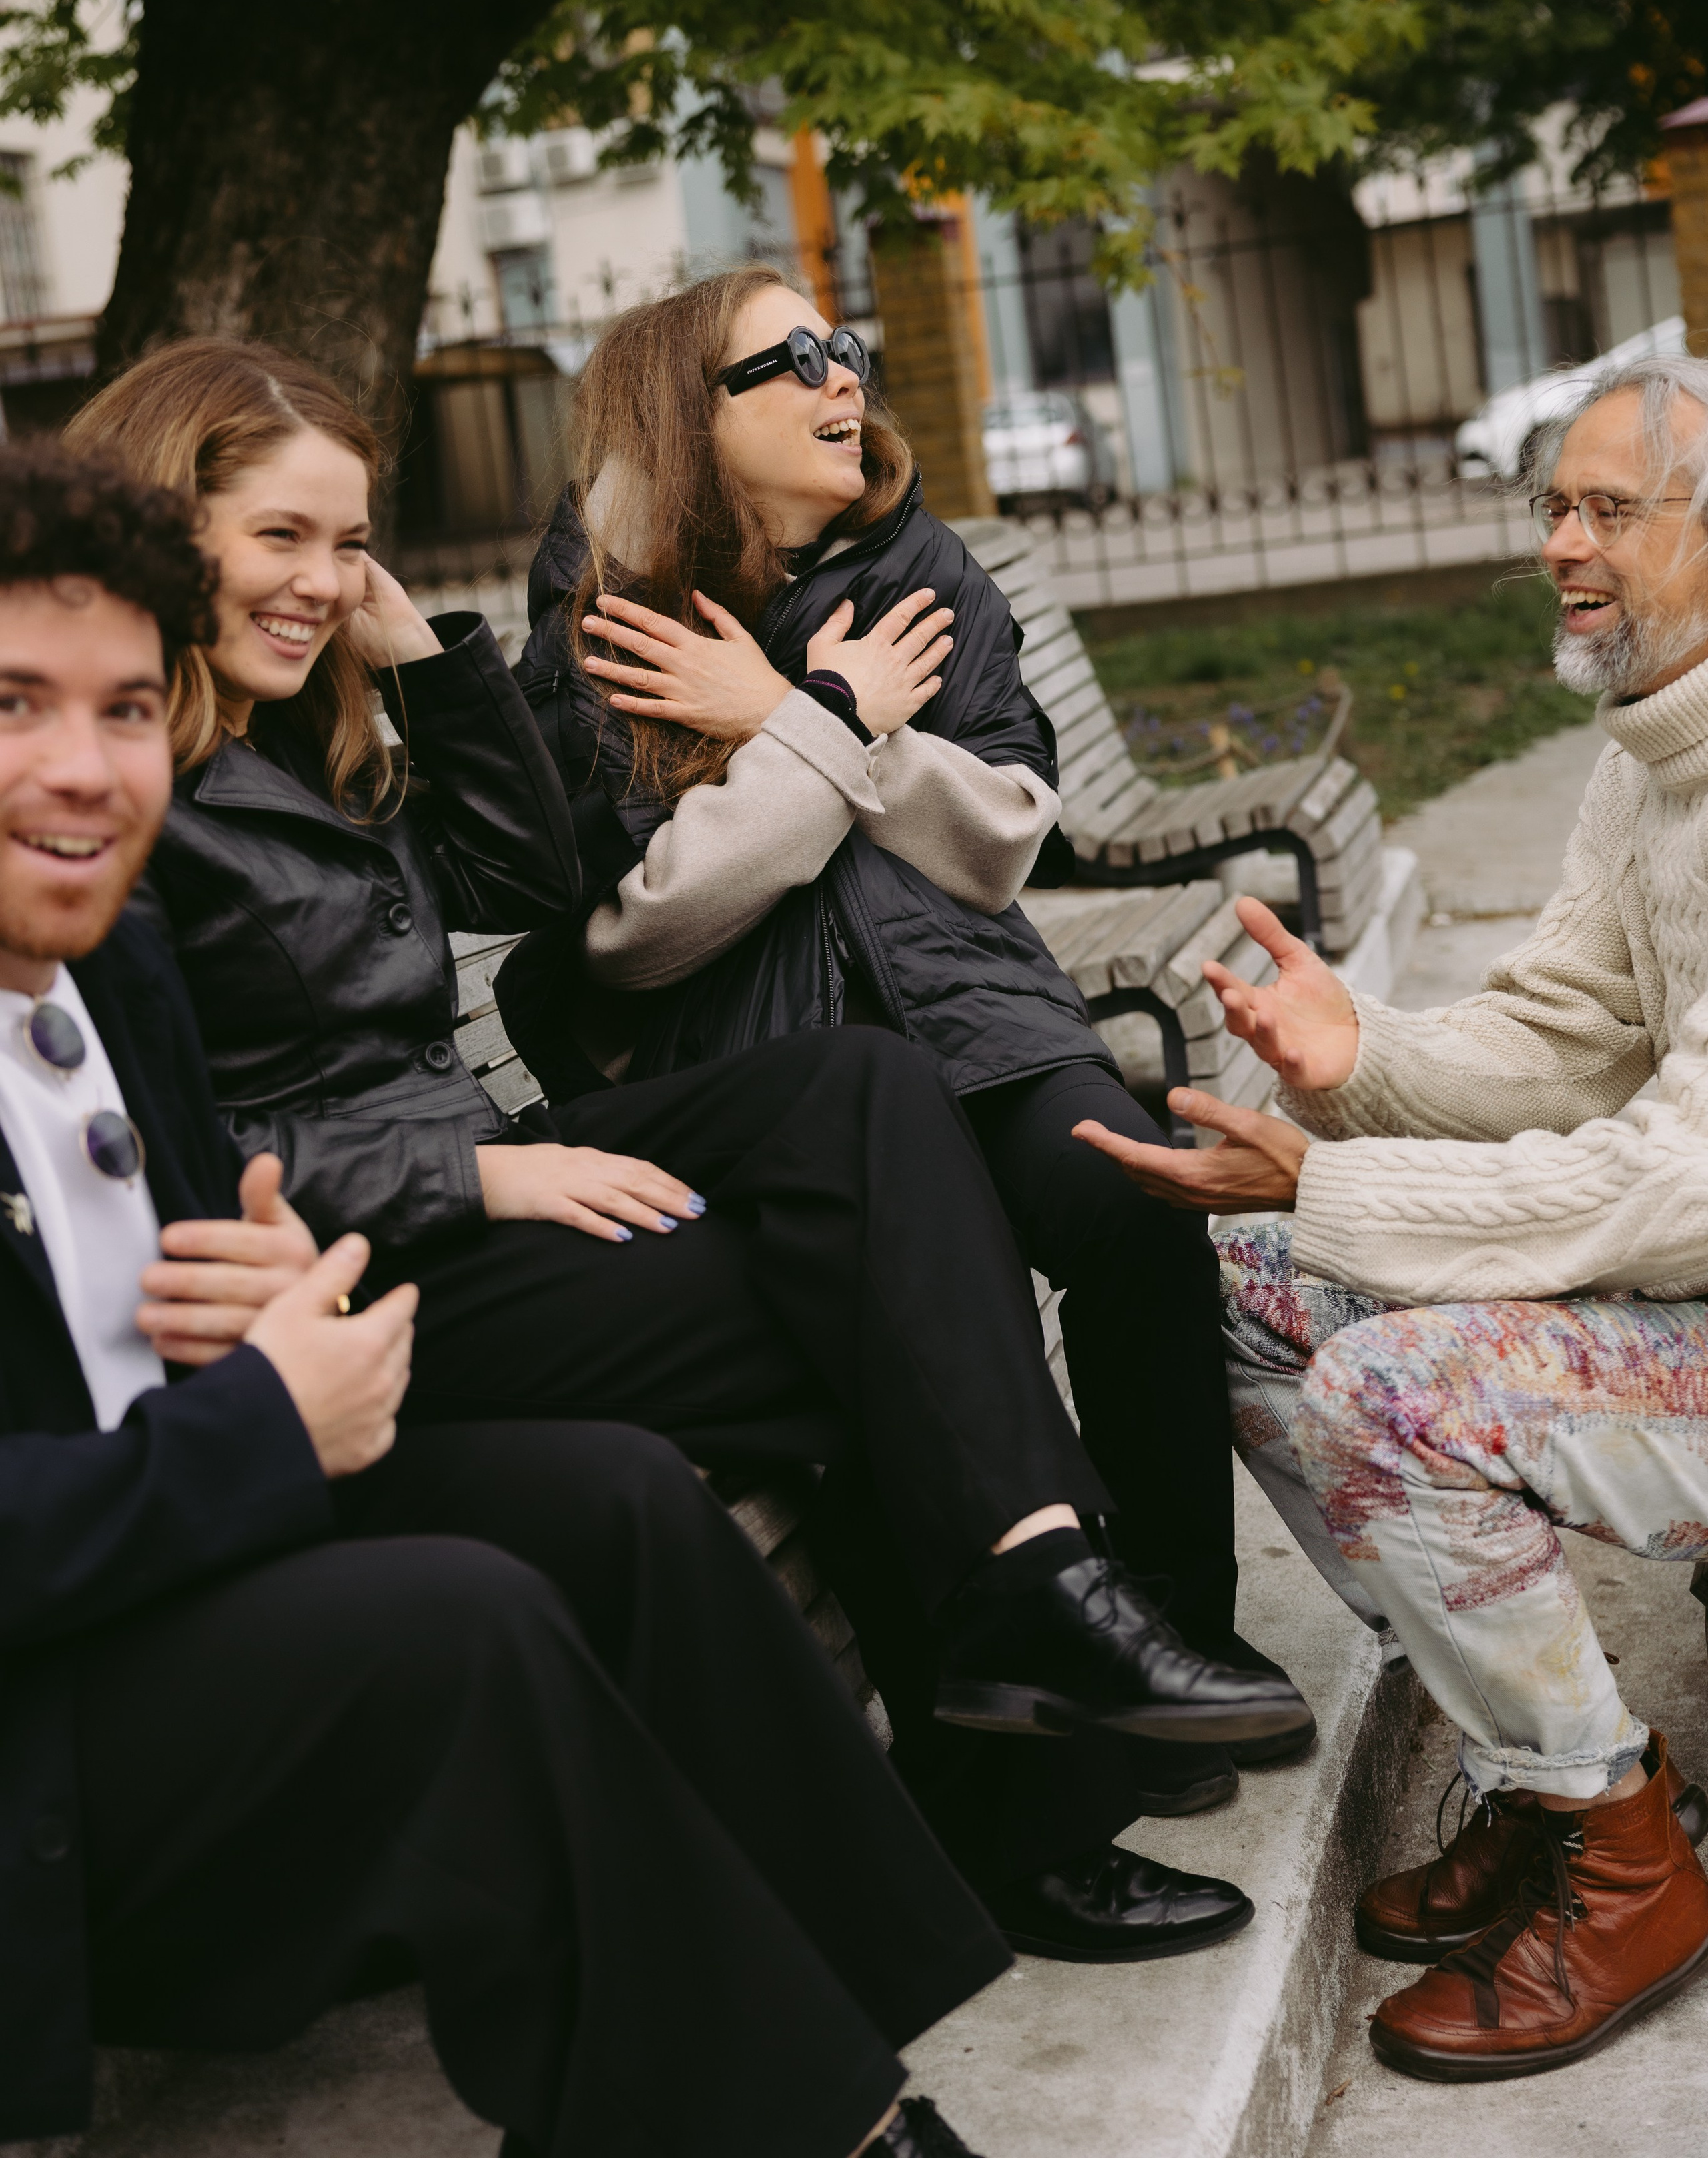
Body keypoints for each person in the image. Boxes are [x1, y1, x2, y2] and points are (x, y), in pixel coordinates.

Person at [69, 334, 1303, 1969]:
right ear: (161, 527)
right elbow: (153, 1141)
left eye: (348, 537)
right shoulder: (102, 783)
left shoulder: (304, 722)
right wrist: (472, 1175)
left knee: (854, 1098)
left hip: (464, 1181)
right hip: (355, 1267)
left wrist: (411, 650)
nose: (321, 580)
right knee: (856, 1304)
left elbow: (521, 872)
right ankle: (1014, 1797)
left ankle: (1036, 1581)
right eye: (280, 539)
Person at [0, 442, 1019, 2158]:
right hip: (58, 1701)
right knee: (464, 1631)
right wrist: (261, 1415)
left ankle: (830, 2039)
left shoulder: (108, 965)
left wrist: (252, 1308)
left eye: (121, 709)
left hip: (171, 1533)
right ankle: (823, 2130)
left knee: (619, 1498)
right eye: (17, 706)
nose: (87, 770)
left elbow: (162, 1278)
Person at [504, 265, 1308, 1835]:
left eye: (844, 345)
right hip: (760, 1064)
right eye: (788, 359)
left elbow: (1001, 837)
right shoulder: (599, 623)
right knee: (908, 1284)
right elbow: (633, 931)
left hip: (974, 1021)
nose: (839, 377)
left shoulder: (922, 567)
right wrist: (820, 713)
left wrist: (790, 722)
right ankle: (1045, 1688)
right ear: (691, 409)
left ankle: (1171, 1634)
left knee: (1135, 1205)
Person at [1073, 355, 1708, 2081]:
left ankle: (1628, 1859)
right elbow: (1564, 1034)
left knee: (1384, 1381)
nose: (1561, 544)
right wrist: (1370, 1057)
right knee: (1238, 1282)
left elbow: (1680, 1177)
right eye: (1552, 508)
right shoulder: (1649, 748)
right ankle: (1545, 1761)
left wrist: (1339, 1173)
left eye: (1606, 511)